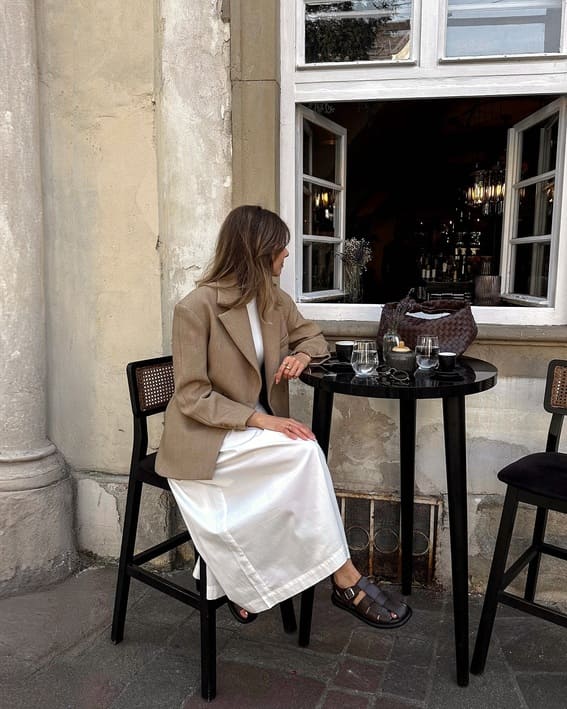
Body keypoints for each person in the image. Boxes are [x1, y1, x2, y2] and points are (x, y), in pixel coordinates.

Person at [155, 205, 411, 628]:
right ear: (258, 250)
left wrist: (300, 355)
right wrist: (262, 421)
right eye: (280, 245)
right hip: (208, 437)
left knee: (301, 456)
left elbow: (314, 336)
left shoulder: (273, 301)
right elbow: (192, 396)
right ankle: (345, 579)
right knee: (305, 454)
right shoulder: (195, 308)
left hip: (256, 434)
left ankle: (242, 582)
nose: (288, 253)